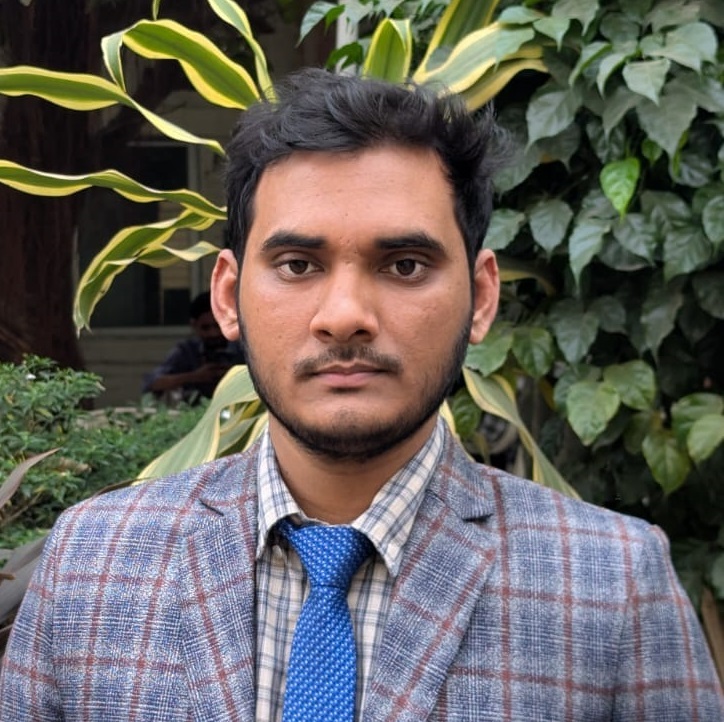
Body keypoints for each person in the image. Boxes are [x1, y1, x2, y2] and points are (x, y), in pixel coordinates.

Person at [1, 69, 722, 721]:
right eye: (297, 264)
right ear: (227, 296)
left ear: (481, 298)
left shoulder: (613, 582)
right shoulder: (93, 559)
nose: (344, 315)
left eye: (404, 265)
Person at [141, 291, 244, 404]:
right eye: (205, 328)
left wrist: (235, 375)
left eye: (217, 326)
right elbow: (152, 383)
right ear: (194, 325)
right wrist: (195, 376)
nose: (213, 334)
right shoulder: (187, 351)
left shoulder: (242, 348)